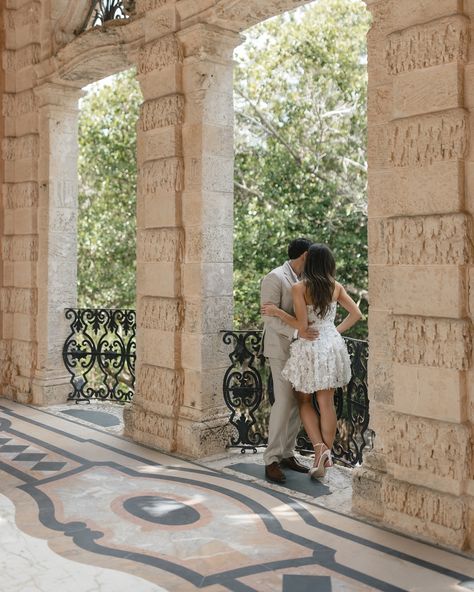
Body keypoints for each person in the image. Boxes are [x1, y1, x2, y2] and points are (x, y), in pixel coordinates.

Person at [261, 243, 362, 479]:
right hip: (329, 345)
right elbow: (357, 313)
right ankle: (323, 455)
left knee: (304, 400)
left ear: (311, 260)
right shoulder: (335, 286)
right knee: (325, 402)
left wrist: (277, 312)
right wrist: (333, 331)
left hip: (307, 347)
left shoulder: (300, 287)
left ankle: (316, 450)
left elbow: (302, 326)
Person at [260, 237, 319, 484]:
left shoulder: (306, 280)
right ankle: (271, 459)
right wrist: (297, 331)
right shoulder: (274, 277)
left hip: (301, 350)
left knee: (297, 402)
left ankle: (287, 453)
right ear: (305, 255)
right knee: (283, 401)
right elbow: (269, 317)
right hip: (280, 347)